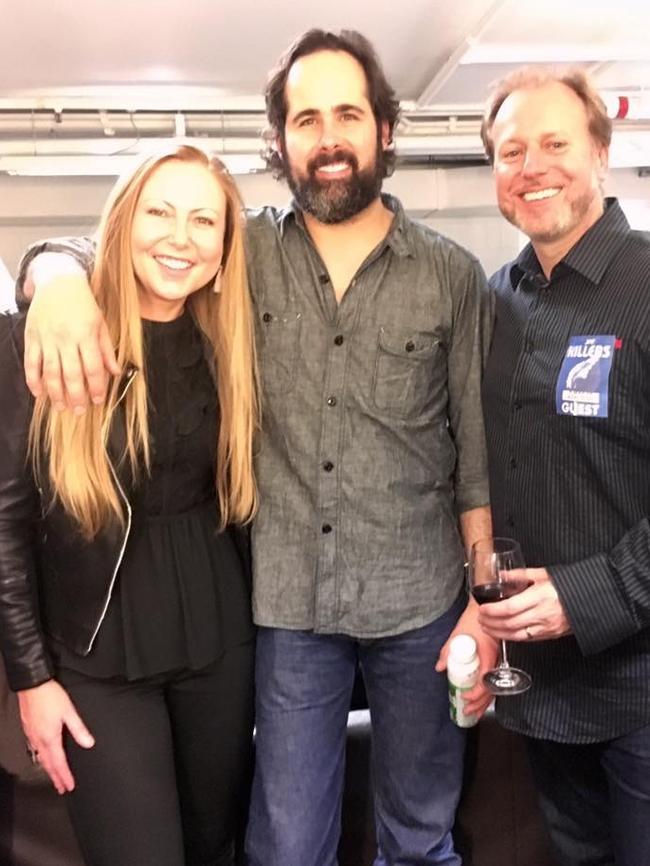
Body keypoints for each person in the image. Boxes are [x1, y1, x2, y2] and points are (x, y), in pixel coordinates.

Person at [14, 30, 496, 866]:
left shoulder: (451, 273)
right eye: (305, 118)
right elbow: (141, 245)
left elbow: (476, 456)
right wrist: (50, 272)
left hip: (418, 605)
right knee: (282, 849)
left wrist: (482, 607)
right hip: (286, 615)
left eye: (348, 113)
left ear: (384, 129)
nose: (328, 136)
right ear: (280, 141)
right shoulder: (247, 256)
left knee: (420, 839)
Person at [0, 142, 259, 866]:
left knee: (216, 849)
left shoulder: (231, 341)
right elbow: (5, 522)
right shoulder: (48, 336)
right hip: (94, 656)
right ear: (122, 220)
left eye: (204, 221)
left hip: (221, 642)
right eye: (160, 212)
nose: (181, 238)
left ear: (224, 244)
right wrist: (31, 680)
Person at [478, 67, 650, 866]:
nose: (532, 166)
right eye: (511, 151)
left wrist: (589, 597)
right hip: (540, 692)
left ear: (602, 156)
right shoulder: (497, 300)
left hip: (640, 688)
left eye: (554, 143)